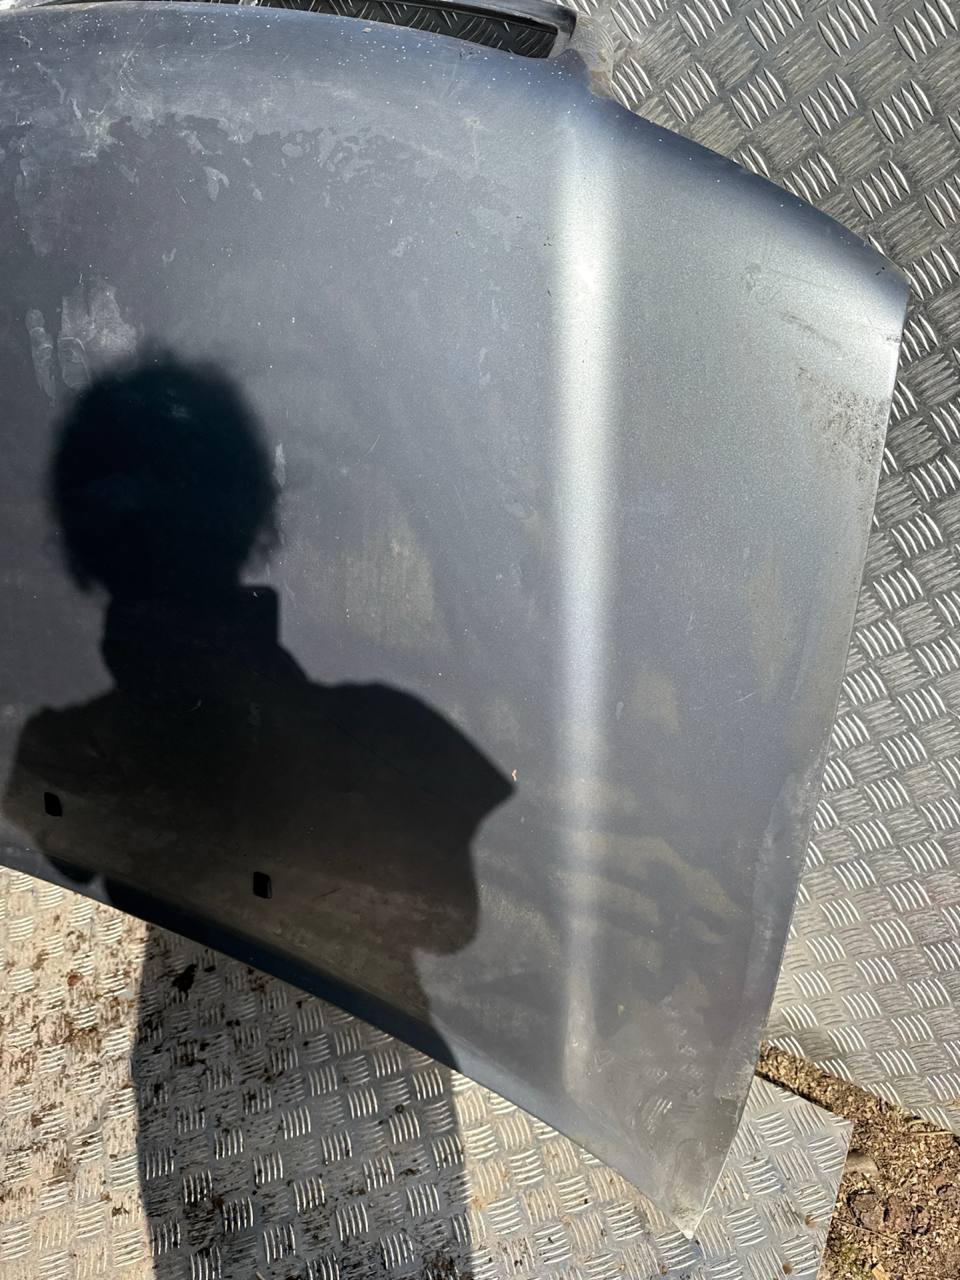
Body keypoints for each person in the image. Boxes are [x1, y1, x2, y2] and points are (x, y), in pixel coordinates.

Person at [3, 353, 512, 1037]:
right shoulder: (392, 732)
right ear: (251, 517)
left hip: (281, 1060)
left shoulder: (66, 751)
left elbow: (452, 922)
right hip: (234, 1056)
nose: (162, 545)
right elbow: (451, 922)